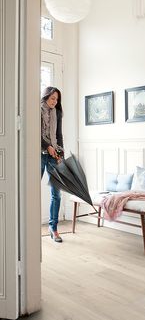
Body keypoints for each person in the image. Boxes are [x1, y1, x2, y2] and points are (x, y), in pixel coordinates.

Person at [41, 86, 64, 243]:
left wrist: (60, 154)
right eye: (52, 98)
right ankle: (29, 227)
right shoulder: (36, 110)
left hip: (54, 154)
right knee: (31, 193)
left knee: (57, 194)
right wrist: (46, 146)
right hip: (38, 154)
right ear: (45, 97)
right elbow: (34, 132)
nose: (54, 102)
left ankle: (53, 228)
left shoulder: (58, 112)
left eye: (56, 99)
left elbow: (59, 135)